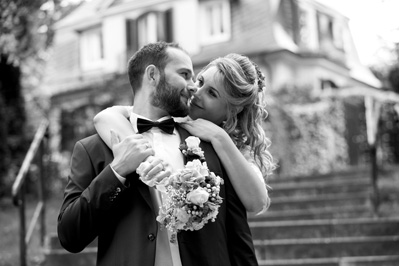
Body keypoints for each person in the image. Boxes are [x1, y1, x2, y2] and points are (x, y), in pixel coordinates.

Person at [57, 41, 259, 266]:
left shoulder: (212, 145)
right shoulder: (92, 148)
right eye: (185, 74)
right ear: (152, 75)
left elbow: (238, 236)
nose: (193, 87)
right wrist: (117, 171)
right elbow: (70, 236)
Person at [94, 53, 275, 214]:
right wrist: (146, 158)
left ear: (232, 111)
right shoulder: (166, 116)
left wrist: (219, 137)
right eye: (201, 81)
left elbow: (257, 203)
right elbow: (105, 117)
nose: (196, 91)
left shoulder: (233, 147)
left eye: (212, 93)